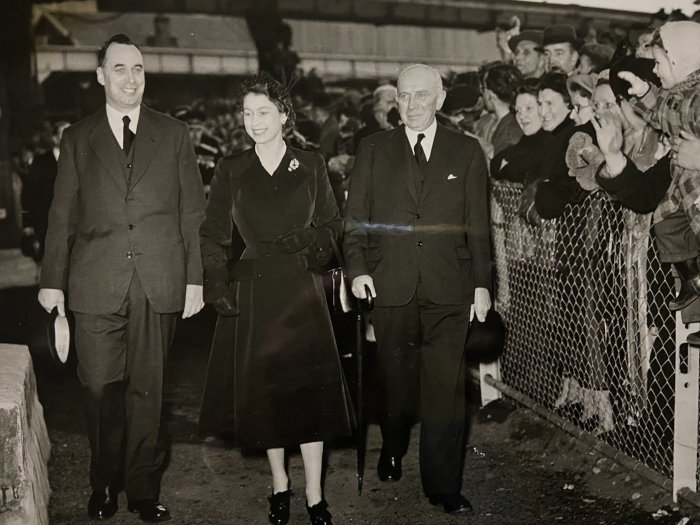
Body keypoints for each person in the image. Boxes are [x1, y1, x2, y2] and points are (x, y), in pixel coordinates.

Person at [37, 34, 206, 523]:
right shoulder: (77, 137)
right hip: (94, 283)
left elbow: (193, 213)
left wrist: (195, 279)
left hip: (159, 281)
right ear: (100, 77)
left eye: (137, 69)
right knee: (97, 389)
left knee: (148, 392)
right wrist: (53, 280)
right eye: (119, 69)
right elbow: (61, 214)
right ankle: (103, 482)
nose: (130, 79)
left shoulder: (174, 134)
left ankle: (141, 489)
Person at [198, 73, 353, 525]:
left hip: (300, 287)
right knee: (268, 396)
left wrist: (307, 242)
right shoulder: (231, 168)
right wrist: (216, 281)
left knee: (308, 395)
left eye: (263, 112)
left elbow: (332, 223)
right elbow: (212, 233)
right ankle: (280, 487)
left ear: (284, 115)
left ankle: (315, 496)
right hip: (255, 291)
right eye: (247, 114)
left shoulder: (311, 164)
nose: (254, 122)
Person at [343, 63, 492, 515]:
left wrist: (483, 285)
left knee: (445, 387)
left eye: (421, 96)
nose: (410, 105)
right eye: (404, 96)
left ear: (440, 99)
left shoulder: (466, 151)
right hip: (390, 284)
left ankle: (443, 485)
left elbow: (477, 224)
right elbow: (355, 220)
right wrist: (357, 269)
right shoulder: (372, 150)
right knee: (395, 381)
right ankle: (392, 441)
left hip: (450, 285)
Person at [618, 21, 700, 316]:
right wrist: (642, 92)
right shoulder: (675, 96)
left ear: (678, 60)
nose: (653, 69)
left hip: (697, 187)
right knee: (665, 222)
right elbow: (661, 114)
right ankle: (692, 278)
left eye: (658, 63)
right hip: (681, 185)